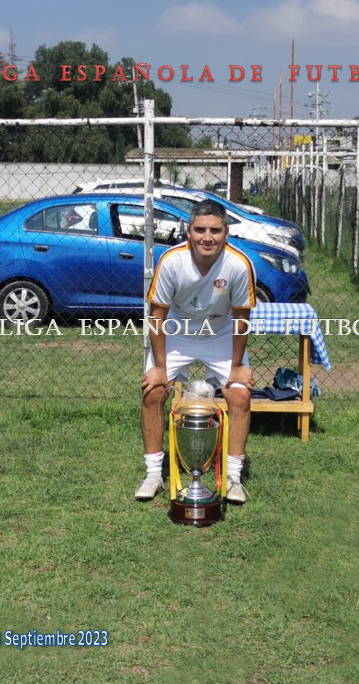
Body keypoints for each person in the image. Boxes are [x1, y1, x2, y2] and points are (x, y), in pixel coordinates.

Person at [135, 199, 255, 504]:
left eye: (215, 230)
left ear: (226, 232)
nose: (207, 237)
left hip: (220, 334)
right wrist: (159, 368)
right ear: (188, 231)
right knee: (153, 392)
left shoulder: (239, 264)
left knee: (240, 395)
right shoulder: (171, 261)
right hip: (178, 332)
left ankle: (233, 478)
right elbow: (157, 317)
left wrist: (237, 366)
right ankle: (153, 475)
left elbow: (242, 319)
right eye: (200, 230)